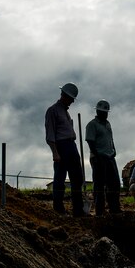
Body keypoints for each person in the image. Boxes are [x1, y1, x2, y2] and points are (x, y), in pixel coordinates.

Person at [45, 82, 85, 216]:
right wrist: (55, 153)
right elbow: (50, 134)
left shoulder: (66, 113)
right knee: (59, 180)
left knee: (77, 179)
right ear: (64, 96)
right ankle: (59, 209)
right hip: (61, 147)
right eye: (71, 98)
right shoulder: (53, 111)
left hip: (71, 146)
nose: (73, 101)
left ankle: (78, 210)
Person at [85, 100, 121, 215]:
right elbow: (90, 142)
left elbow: (111, 138)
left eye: (106, 112)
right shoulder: (92, 125)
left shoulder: (108, 124)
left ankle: (114, 209)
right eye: (102, 112)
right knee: (99, 185)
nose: (104, 114)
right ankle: (100, 211)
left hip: (110, 156)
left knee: (114, 184)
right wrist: (97, 156)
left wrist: (114, 150)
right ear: (97, 111)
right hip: (99, 157)